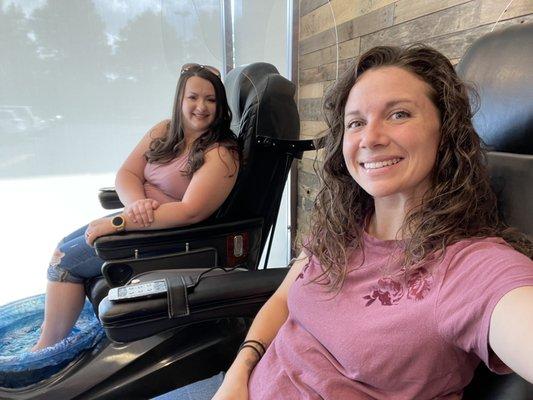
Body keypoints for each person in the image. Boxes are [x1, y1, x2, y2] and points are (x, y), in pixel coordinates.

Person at [155, 45, 533, 400]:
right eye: (356, 123)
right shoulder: (343, 223)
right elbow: (284, 298)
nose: (370, 137)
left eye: (398, 114)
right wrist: (240, 371)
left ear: (445, 129)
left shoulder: (472, 269)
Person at [32, 63, 240, 351]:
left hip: (165, 238)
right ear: (180, 98)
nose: (201, 107)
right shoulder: (164, 130)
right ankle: (54, 332)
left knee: (65, 261)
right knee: (63, 245)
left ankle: (45, 350)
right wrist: (136, 205)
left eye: (211, 100)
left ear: (220, 106)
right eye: (193, 97)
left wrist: (122, 222)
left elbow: (192, 211)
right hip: (138, 220)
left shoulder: (220, 152)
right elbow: (126, 174)